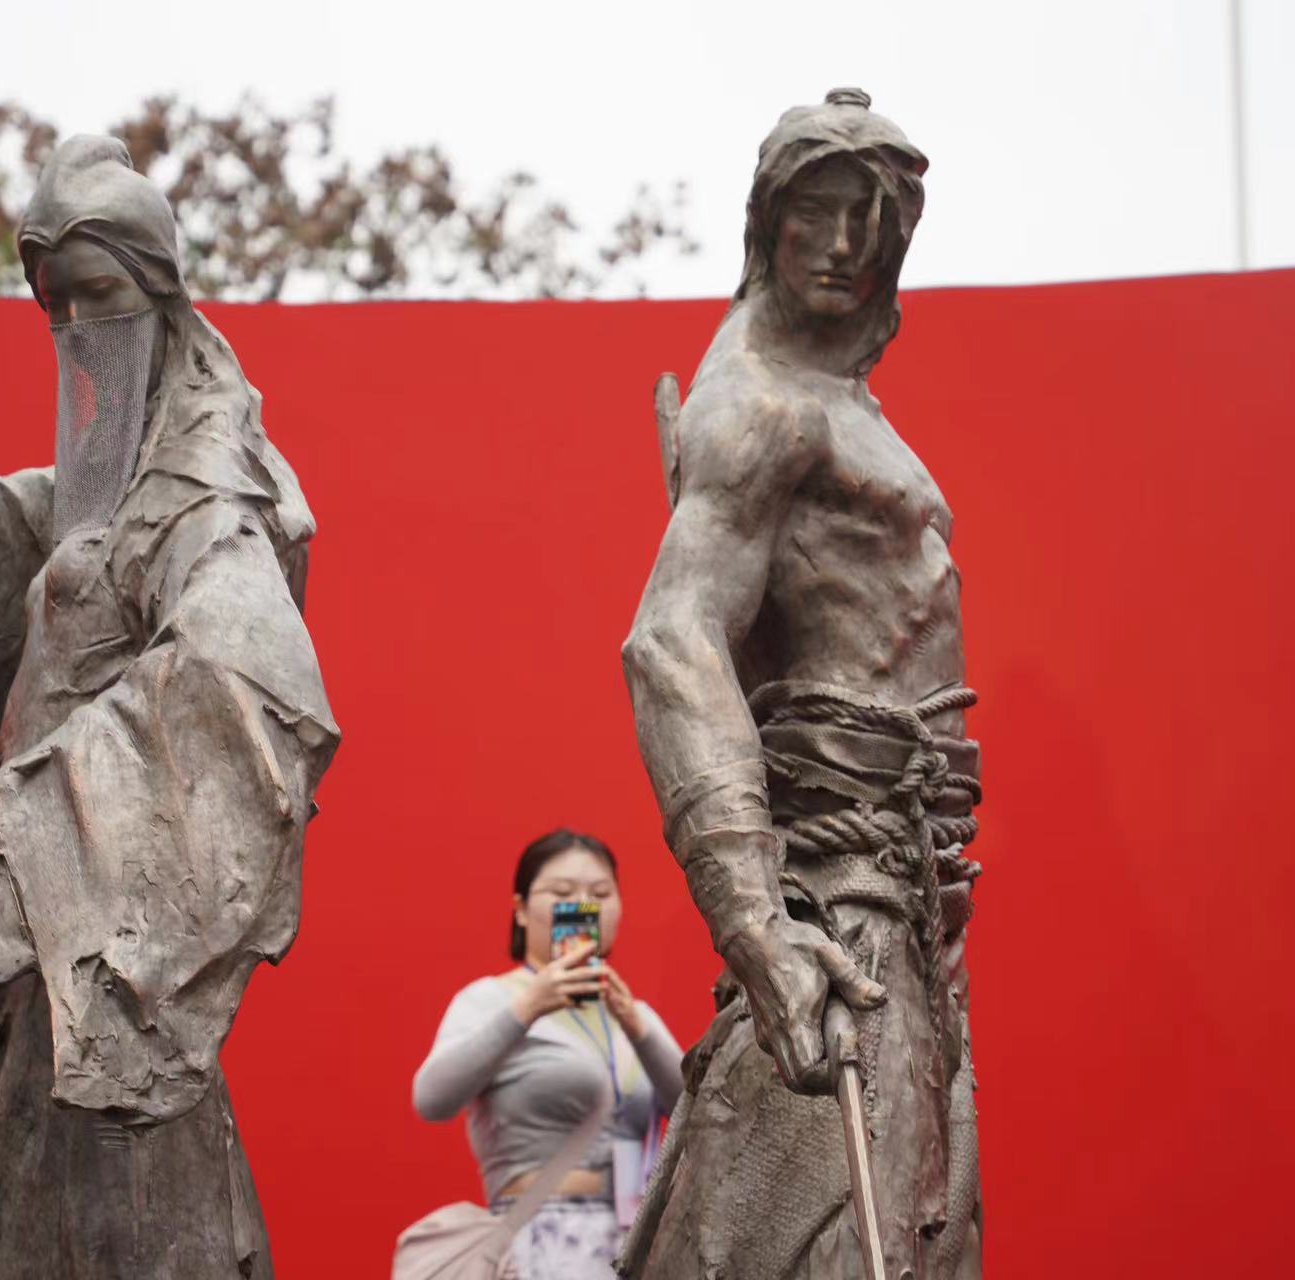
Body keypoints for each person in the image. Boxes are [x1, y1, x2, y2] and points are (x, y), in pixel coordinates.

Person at [0, 135, 337, 1279]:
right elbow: (57, 518)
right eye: (54, 306)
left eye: (100, 295)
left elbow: (233, 692)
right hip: (49, 983)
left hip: (114, 1009)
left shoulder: (209, 502)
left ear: (162, 293)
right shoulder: (132, 469)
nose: (78, 329)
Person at [618, 89, 986, 1279]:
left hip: (907, 903)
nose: (842, 245)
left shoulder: (841, 402)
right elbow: (671, 640)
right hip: (840, 907)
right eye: (815, 213)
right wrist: (756, 923)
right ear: (765, 222)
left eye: (871, 221)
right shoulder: (761, 404)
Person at [413, 829, 685, 1279]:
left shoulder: (636, 1016)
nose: (583, 906)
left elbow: (695, 1113)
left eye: (600, 894)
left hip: (639, 1249)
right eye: (562, 893)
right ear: (521, 910)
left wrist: (639, 1029)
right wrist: (528, 1008)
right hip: (539, 1244)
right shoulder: (491, 1000)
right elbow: (431, 1100)